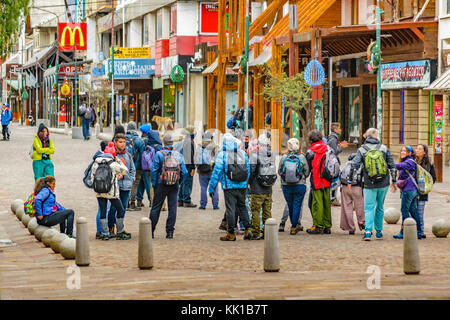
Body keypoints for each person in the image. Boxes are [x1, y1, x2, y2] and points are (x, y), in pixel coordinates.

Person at [347, 128, 397, 241]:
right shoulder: (384, 148)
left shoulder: (362, 149)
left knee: (369, 207)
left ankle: (368, 232)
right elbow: (392, 165)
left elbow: (354, 165)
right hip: (384, 183)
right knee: (380, 207)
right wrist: (394, 181)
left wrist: (350, 180)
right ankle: (379, 232)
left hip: (369, 182)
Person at [209, 133, 252, 241]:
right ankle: (247, 229)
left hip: (229, 187)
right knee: (242, 207)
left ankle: (231, 233)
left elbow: (216, 172)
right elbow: (248, 170)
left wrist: (212, 188)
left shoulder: (222, 154)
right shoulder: (242, 153)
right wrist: (245, 183)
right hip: (242, 186)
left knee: (230, 209)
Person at [150, 133, 188, 239]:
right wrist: (178, 182)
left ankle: (150, 231)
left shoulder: (159, 154)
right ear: (172, 143)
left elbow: (153, 171)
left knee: (156, 207)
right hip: (174, 184)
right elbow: (184, 172)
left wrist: (155, 184)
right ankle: (170, 231)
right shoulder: (178, 155)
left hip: (161, 184)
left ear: (164, 142)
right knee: (172, 208)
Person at [91, 141, 130, 240]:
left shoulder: (96, 162)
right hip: (111, 193)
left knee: (103, 212)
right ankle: (120, 231)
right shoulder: (113, 164)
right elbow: (125, 170)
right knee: (120, 209)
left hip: (100, 192)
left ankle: (105, 233)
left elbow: (92, 178)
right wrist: (119, 160)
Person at [248, 133, 277, 239]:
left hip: (257, 187)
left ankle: (255, 232)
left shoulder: (255, 154)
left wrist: (249, 182)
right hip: (268, 187)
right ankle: (268, 231)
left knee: (255, 210)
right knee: (267, 210)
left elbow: (251, 171)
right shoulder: (272, 154)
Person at [279, 138, 310, 235]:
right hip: (299, 185)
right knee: (297, 205)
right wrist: (302, 177)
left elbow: (280, 171)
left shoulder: (284, 157)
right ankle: (294, 226)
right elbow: (307, 171)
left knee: (290, 204)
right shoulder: (302, 157)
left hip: (286, 185)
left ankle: (294, 224)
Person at [107, 133, 136, 238]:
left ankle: (120, 229)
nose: (123, 144)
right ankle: (110, 228)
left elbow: (132, 169)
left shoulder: (128, 155)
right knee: (114, 208)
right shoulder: (112, 155)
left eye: (124, 142)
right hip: (116, 186)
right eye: (120, 142)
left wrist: (131, 180)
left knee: (123, 208)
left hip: (127, 186)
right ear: (115, 142)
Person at [306, 130, 332, 235]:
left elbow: (308, 169)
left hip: (316, 179)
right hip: (327, 178)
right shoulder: (327, 148)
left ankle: (318, 226)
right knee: (327, 203)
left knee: (317, 203)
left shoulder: (311, 151)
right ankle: (327, 226)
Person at [393, 145, 421, 240]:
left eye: (404, 151)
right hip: (411, 190)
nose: (402, 152)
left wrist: (389, 164)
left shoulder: (410, 162)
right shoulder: (409, 161)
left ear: (409, 153)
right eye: (401, 151)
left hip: (408, 190)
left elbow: (401, 166)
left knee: (404, 210)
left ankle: (404, 232)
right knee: (413, 211)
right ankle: (418, 231)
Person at [340, 153, 365, 235]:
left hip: (345, 187)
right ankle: (362, 223)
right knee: (360, 206)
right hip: (357, 187)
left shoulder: (347, 164)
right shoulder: (361, 165)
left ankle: (350, 228)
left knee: (347, 207)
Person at [415, 144, 436, 239]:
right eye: (417, 148)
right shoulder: (412, 161)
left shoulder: (428, 164)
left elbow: (433, 178)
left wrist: (427, 186)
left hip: (422, 191)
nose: (417, 150)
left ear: (424, 152)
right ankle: (412, 230)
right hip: (412, 190)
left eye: (419, 149)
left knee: (420, 212)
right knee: (412, 212)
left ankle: (421, 231)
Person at [196, 131, 220, 210]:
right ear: (211, 138)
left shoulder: (200, 146)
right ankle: (215, 205)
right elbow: (218, 158)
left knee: (203, 188)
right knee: (214, 187)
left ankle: (203, 205)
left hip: (201, 171)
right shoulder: (214, 146)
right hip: (212, 170)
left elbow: (195, 158)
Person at [126, 122, 146, 211]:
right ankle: (132, 203)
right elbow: (143, 155)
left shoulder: (123, 139)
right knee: (134, 184)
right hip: (137, 166)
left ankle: (125, 203)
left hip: (124, 165)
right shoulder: (139, 140)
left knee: (125, 183)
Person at [328, 123, 348, 206]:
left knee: (336, 181)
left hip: (333, 162)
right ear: (335, 130)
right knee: (336, 181)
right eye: (339, 128)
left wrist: (339, 145)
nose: (341, 129)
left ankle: (333, 198)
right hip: (333, 163)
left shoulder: (334, 138)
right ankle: (332, 199)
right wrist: (342, 147)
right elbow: (334, 152)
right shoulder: (333, 139)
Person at [176, 126, 197, 208]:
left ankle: (180, 200)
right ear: (191, 132)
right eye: (194, 131)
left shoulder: (184, 141)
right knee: (188, 183)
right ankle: (187, 201)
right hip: (187, 165)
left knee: (182, 183)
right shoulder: (189, 142)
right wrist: (193, 168)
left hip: (182, 164)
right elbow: (190, 157)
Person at [94, 141, 109, 239]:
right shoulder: (107, 158)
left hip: (98, 186)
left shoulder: (96, 157)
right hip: (106, 187)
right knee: (104, 209)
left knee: (101, 208)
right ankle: (102, 230)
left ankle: (100, 230)